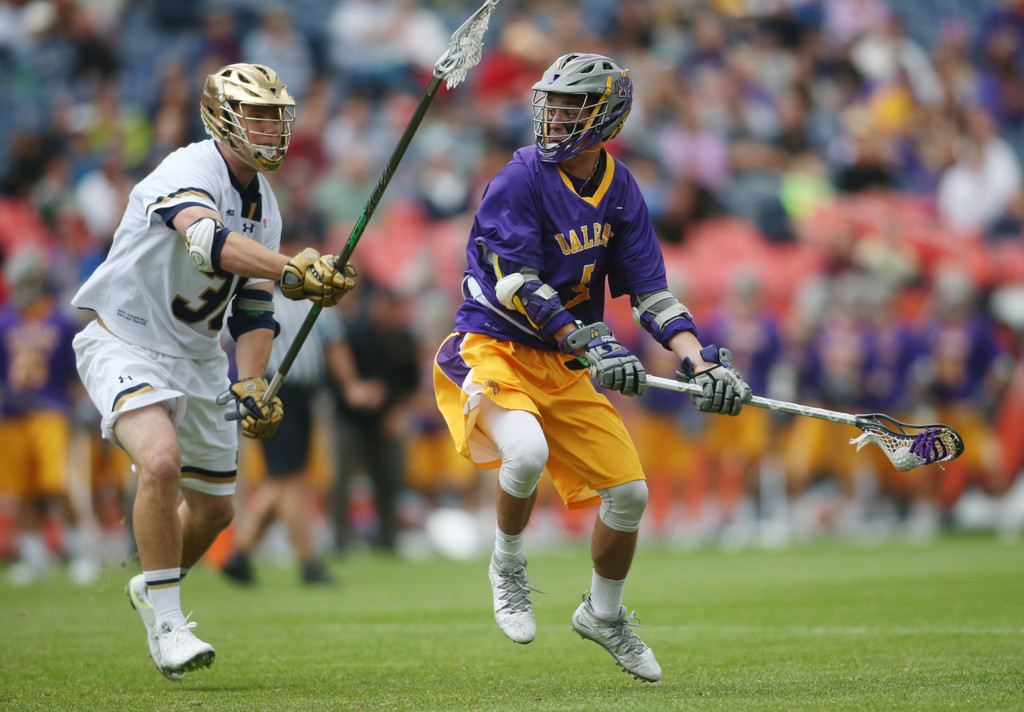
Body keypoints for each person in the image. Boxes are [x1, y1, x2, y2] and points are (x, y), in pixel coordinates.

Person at [432, 53, 752, 683]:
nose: (554, 118)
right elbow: (517, 284)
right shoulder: (519, 177)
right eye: (551, 104)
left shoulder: (621, 186)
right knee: (524, 452)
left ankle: (603, 615)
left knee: (630, 494)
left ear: (607, 116)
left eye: (571, 107)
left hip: (564, 362)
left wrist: (697, 361)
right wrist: (591, 340)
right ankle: (508, 565)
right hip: (495, 347)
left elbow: (651, 292)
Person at [70, 63, 357, 681]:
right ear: (222, 119)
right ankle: (169, 623)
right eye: (258, 114)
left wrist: (252, 378)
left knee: (215, 513)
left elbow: (253, 304)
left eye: (277, 116)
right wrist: (294, 272)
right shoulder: (188, 168)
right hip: (126, 340)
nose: (271, 127)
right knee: (162, 462)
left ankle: (153, 586)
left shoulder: (267, 205)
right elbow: (208, 240)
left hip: (200, 357)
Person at [220, 279, 345, 587]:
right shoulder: (256, 299)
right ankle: (307, 562)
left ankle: (241, 554)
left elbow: (332, 344)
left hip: (306, 397)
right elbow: (226, 339)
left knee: (288, 477)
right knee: (289, 479)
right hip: (274, 392)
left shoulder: (311, 300)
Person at [0, 248, 98, 586]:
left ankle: (80, 552)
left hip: (49, 413)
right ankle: (34, 555)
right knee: (22, 490)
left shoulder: (60, 321)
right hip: (11, 417)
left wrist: (82, 405)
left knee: (57, 486)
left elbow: (76, 375)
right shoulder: (4, 320)